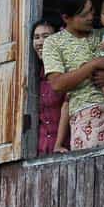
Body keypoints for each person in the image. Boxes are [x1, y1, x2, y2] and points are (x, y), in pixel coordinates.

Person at [42, 0, 104, 151]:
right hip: (85, 119)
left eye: (91, 10)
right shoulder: (54, 43)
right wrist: (93, 65)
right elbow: (57, 84)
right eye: (84, 15)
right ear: (66, 18)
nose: (91, 17)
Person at [31, 19, 70, 155]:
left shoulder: (66, 71)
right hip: (39, 152)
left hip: (65, 150)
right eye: (36, 37)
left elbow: (67, 107)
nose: (40, 42)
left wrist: (58, 144)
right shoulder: (34, 77)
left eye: (46, 36)